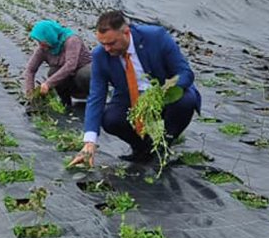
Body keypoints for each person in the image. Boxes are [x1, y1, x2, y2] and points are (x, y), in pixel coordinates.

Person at [70, 11, 201, 167]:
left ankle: (164, 145)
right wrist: (89, 143)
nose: (107, 49)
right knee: (110, 119)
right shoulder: (101, 55)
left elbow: (185, 72)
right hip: (129, 96)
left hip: (164, 92)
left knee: (186, 101)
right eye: (102, 44)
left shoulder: (156, 37)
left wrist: (167, 88)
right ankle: (142, 148)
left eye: (111, 43)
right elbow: (96, 95)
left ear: (126, 32)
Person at [24, 20, 92, 107]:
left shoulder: (72, 40)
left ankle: (95, 100)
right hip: (69, 81)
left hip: (84, 77)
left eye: (42, 41)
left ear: (49, 36)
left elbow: (71, 65)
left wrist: (48, 83)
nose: (40, 44)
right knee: (53, 72)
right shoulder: (43, 49)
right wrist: (30, 92)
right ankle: (66, 103)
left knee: (84, 74)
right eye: (39, 41)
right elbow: (30, 70)